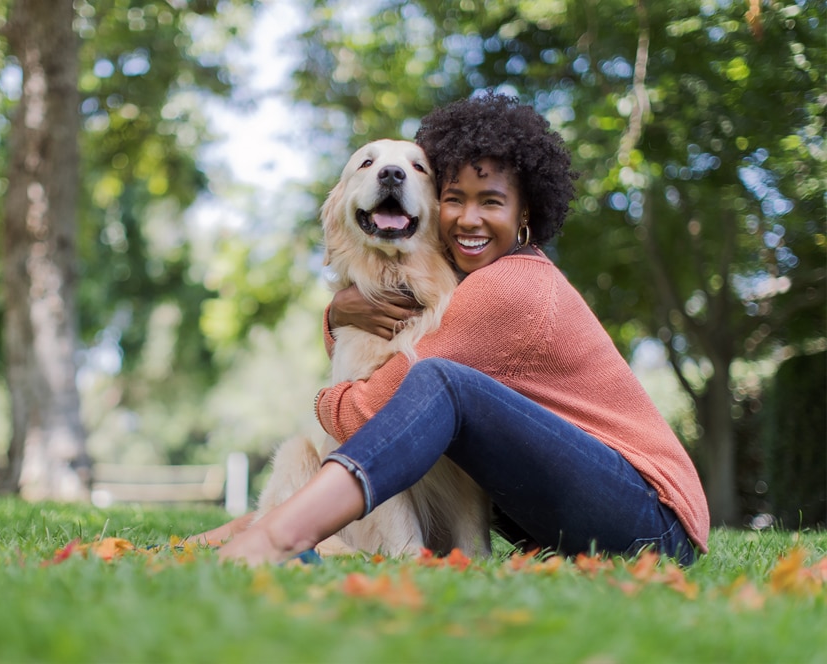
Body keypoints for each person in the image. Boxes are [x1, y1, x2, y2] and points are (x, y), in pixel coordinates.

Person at [214, 92, 710, 566]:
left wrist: (325, 401)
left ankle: (277, 537)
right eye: (455, 198)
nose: (469, 220)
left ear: (525, 215)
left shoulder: (509, 288)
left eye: (491, 202)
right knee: (436, 383)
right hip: (617, 514)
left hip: (652, 521)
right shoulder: (472, 283)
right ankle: (257, 530)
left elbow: (369, 412)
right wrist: (339, 316)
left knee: (439, 380)